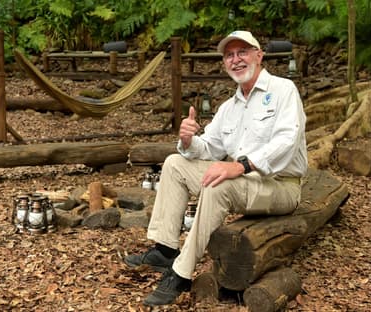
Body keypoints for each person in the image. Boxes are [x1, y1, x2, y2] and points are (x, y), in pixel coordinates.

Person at [124, 30, 308, 306]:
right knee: (175, 163)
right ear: (224, 63)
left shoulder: (282, 90)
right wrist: (188, 139)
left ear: (259, 55)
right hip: (246, 184)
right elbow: (208, 148)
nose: (236, 60)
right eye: (229, 55)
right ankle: (165, 249)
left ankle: (182, 272)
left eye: (242, 52)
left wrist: (240, 165)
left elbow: (287, 141)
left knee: (218, 183)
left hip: (281, 186)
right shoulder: (229, 108)